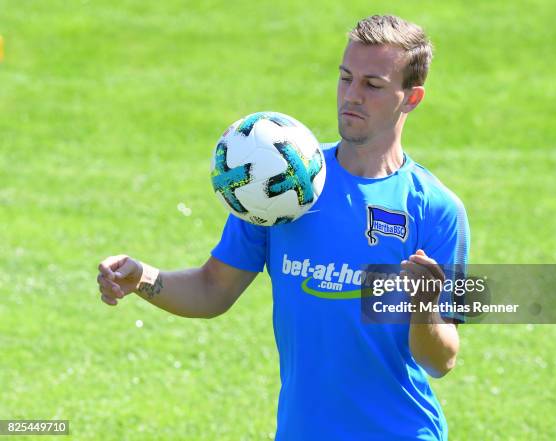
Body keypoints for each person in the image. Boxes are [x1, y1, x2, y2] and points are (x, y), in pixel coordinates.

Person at [97, 15, 470, 441]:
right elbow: (212, 289)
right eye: (346, 78)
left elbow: (441, 360)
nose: (352, 95)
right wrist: (141, 277)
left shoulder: (436, 210)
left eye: (373, 85)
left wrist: (422, 307)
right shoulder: (286, 183)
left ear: (411, 98)